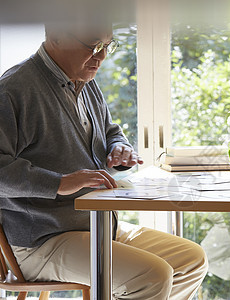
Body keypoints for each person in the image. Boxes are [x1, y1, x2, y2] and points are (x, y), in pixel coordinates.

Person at [0, 22, 207, 299]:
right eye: (94, 45)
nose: (102, 56)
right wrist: (59, 182)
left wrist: (119, 147)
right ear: (57, 36)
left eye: (108, 46)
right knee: (151, 276)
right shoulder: (14, 89)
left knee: (191, 259)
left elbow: (110, 131)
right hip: (41, 240)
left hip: (97, 225)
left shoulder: (85, 82)